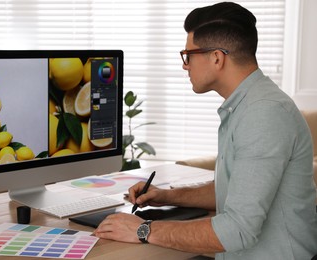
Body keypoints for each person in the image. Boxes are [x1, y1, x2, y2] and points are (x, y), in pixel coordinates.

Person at [94, 2, 317, 259]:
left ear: (216, 57)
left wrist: (143, 230)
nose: (184, 65)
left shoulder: (263, 114)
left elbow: (238, 230)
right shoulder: (246, 105)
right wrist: (168, 196)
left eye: (188, 55)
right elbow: (238, 189)